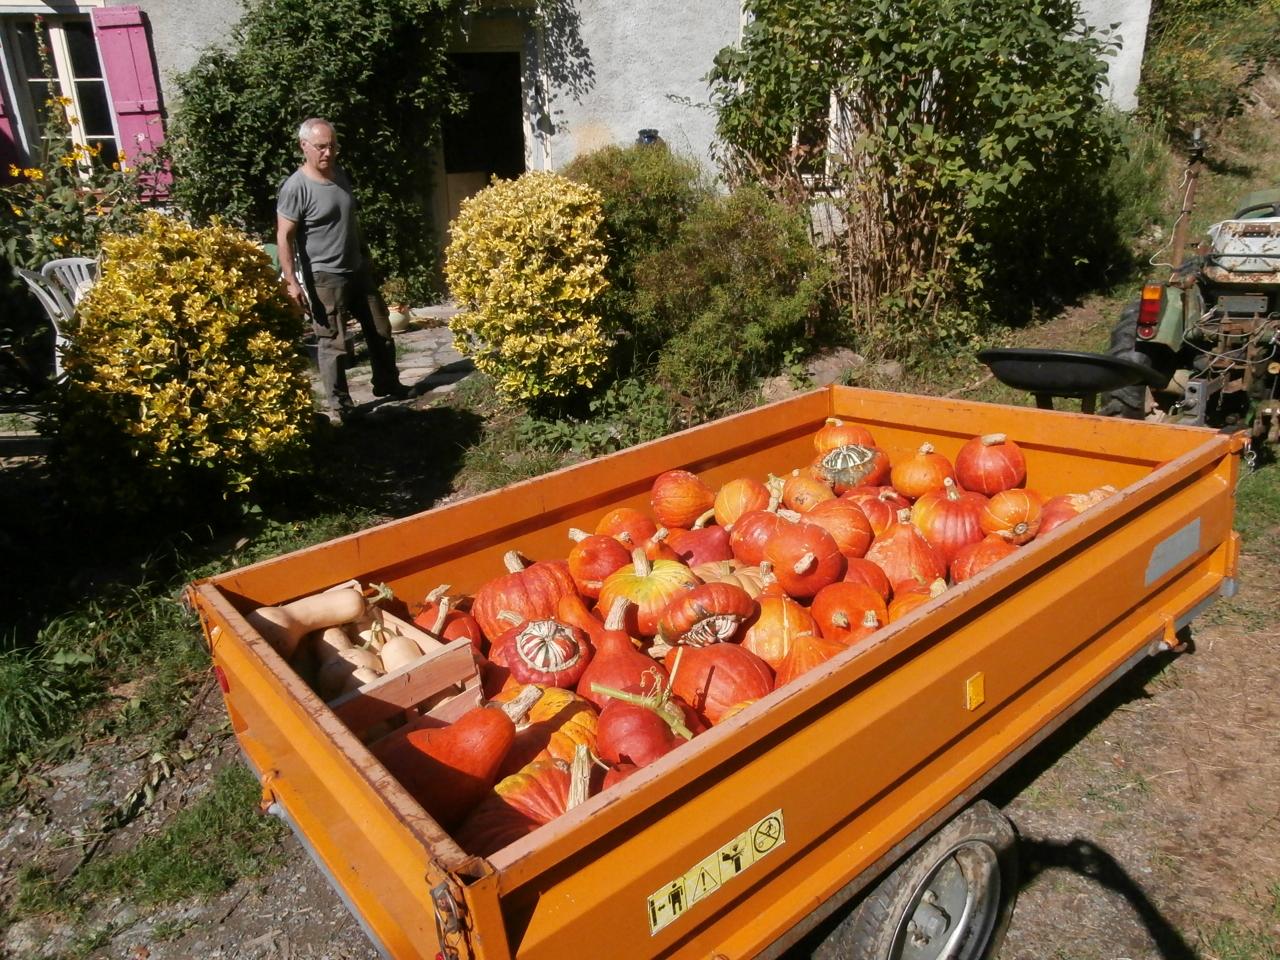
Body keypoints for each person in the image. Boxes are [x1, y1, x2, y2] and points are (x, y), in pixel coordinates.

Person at [276, 117, 410, 423]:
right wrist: (291, 281)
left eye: (333, 146)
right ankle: (341, 405)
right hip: (325, 276)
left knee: (380, 329)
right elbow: (284, 236)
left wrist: (364, 253)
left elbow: (350, 220)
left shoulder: (340, 176)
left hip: (357, 270)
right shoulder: (296, 188)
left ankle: (387, 383)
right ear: (304, 147)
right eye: (321, 147)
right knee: (333, 343)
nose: (328, 153)